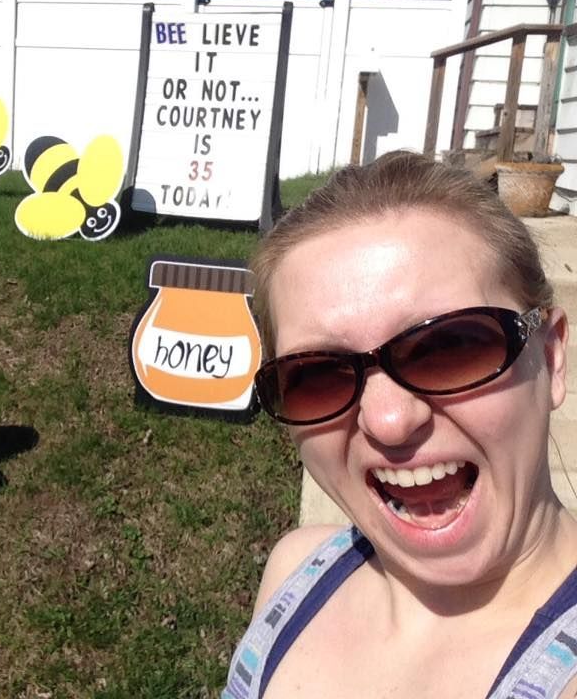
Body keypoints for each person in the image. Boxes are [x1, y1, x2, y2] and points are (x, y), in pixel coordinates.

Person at [222, 151, 577, 699]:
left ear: (551, 358)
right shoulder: (296, 573)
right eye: (318, 375)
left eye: (449, 347)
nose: (388, 421)